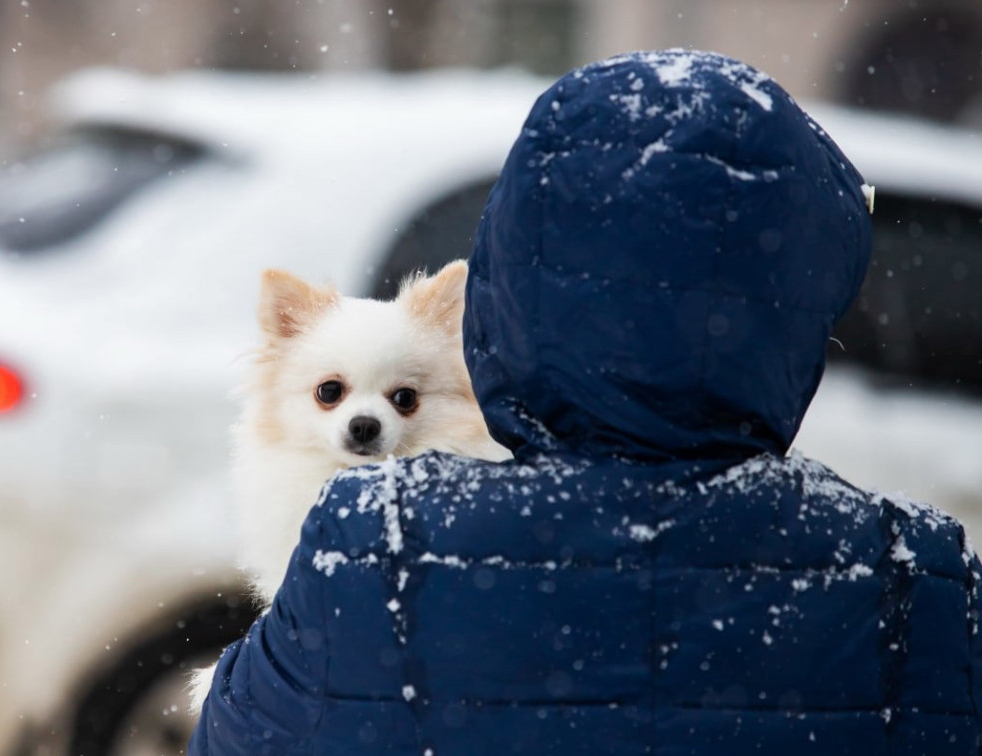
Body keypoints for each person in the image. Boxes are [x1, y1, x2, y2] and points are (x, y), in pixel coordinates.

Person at [189, 49, 982, 755]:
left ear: (511, 277)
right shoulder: (915, 579)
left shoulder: (376, 544)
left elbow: (236, 737)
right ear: (806, 299)